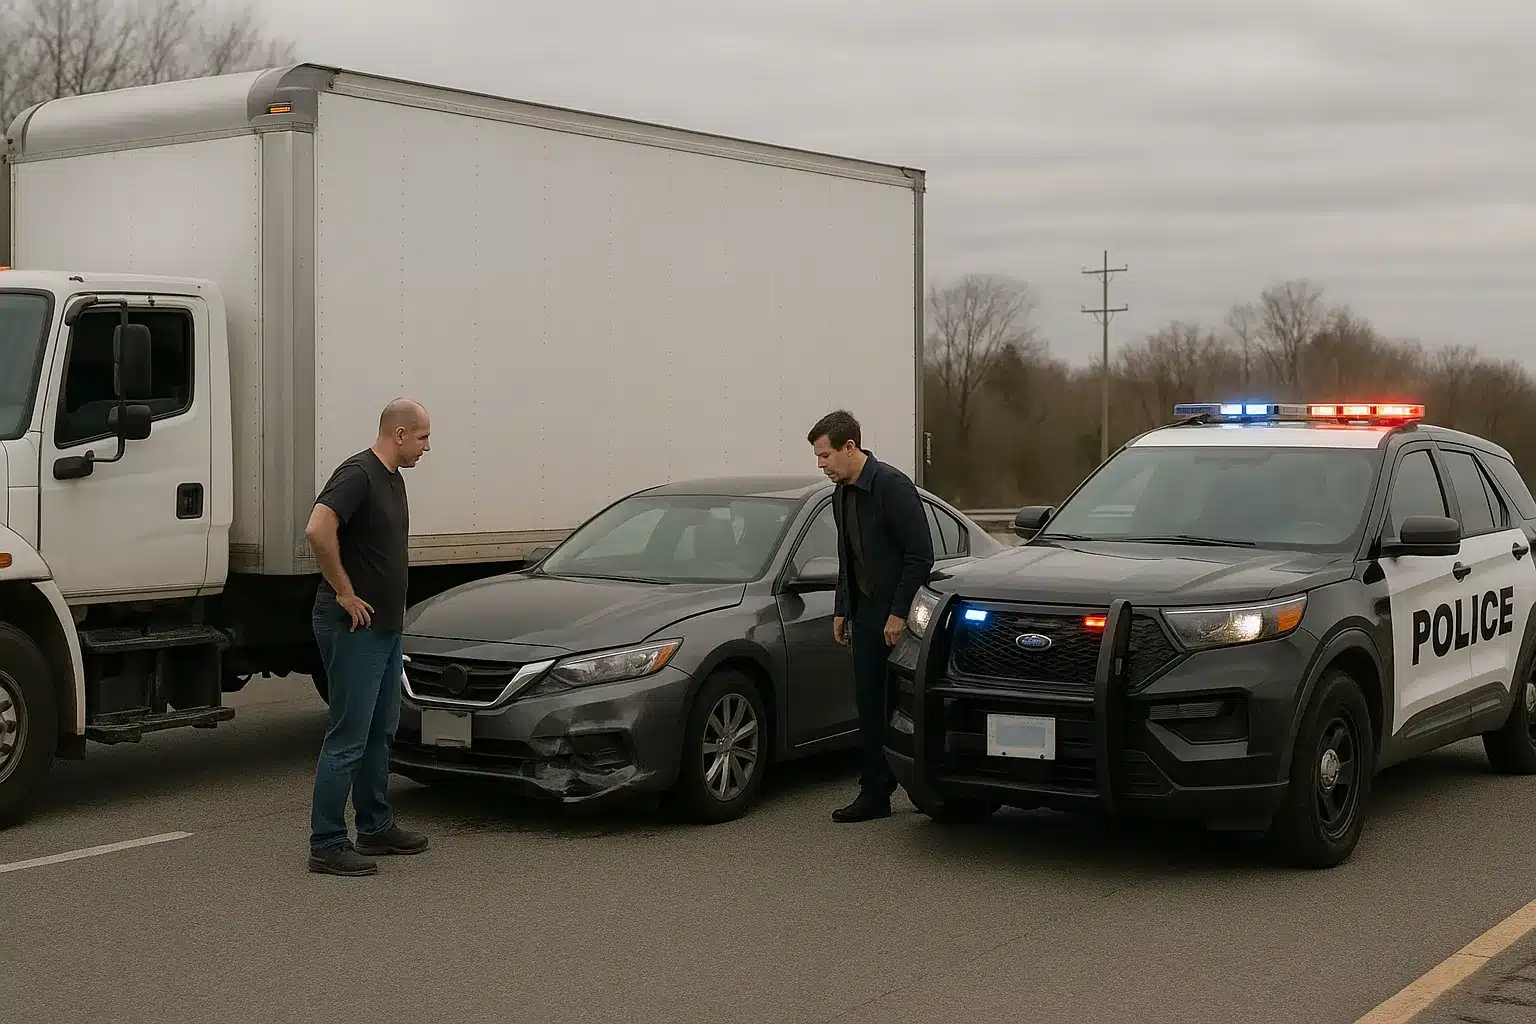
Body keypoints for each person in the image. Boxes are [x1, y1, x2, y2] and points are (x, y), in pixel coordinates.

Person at [303, 398, 433, 876]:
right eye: (421, 437)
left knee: (381, 730)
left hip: (384, 630)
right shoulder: (357, 473)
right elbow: (318, 529)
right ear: (398, 434)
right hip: (353, 627)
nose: (426, 447)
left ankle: (376, 827)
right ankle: (327, 842)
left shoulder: (393, 479)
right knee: (349, 736)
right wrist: (345, 593)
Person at [808, 409, 935, 823]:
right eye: (817, 457)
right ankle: (875, 792)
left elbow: (920, 556)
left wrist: (898, 614)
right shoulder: (839, 496)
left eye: (825, 455)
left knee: (906, 705)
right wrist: (842, 609)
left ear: (850, 447)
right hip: (864, 617)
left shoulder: (893, 488)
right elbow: (848, 559)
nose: (820, 465)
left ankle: (925, 788)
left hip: (899, 618)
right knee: (869, 705)